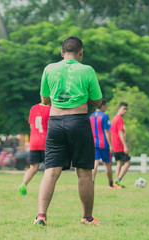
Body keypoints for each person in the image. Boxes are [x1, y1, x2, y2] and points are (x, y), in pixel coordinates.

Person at [34, 36, 104, 226]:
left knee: (50, 172)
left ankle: (41, 216)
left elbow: (45, 100)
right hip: (78, 122)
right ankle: (87, 218)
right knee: (84, 173)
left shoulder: (49, 69)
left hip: (55, 124)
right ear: (81, 53)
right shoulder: (87, 70)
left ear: (62, 53)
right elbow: (98, 101)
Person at [18, 103, 51, 196]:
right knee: (49, 169)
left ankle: (23, 184)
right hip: (45, 141)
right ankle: (48, 189)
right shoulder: (50, 109)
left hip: (34, 141)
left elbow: (31, 126)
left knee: (33, 167)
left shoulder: (34, 108)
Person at [89, 99, 119, 189]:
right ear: (103, 106)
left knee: (95, 164)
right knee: (108, 164)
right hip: (104, 144)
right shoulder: (105, 116)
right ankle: (110, 184)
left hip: (94, 143)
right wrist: (110, 145)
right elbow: (107, 131)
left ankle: (92, 183)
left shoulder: (90, 116)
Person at [111, 102, 130, 188]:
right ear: (119, 109)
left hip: (115, 145)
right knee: (128, 162)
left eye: (126, 109)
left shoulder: (114, 118)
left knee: (119, 163)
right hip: (119, 145)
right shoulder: (119, 119)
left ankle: (116, 183)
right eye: (124, 109)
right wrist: (125, 146)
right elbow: (120, 132)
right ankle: (119, 179)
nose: (125, 111)